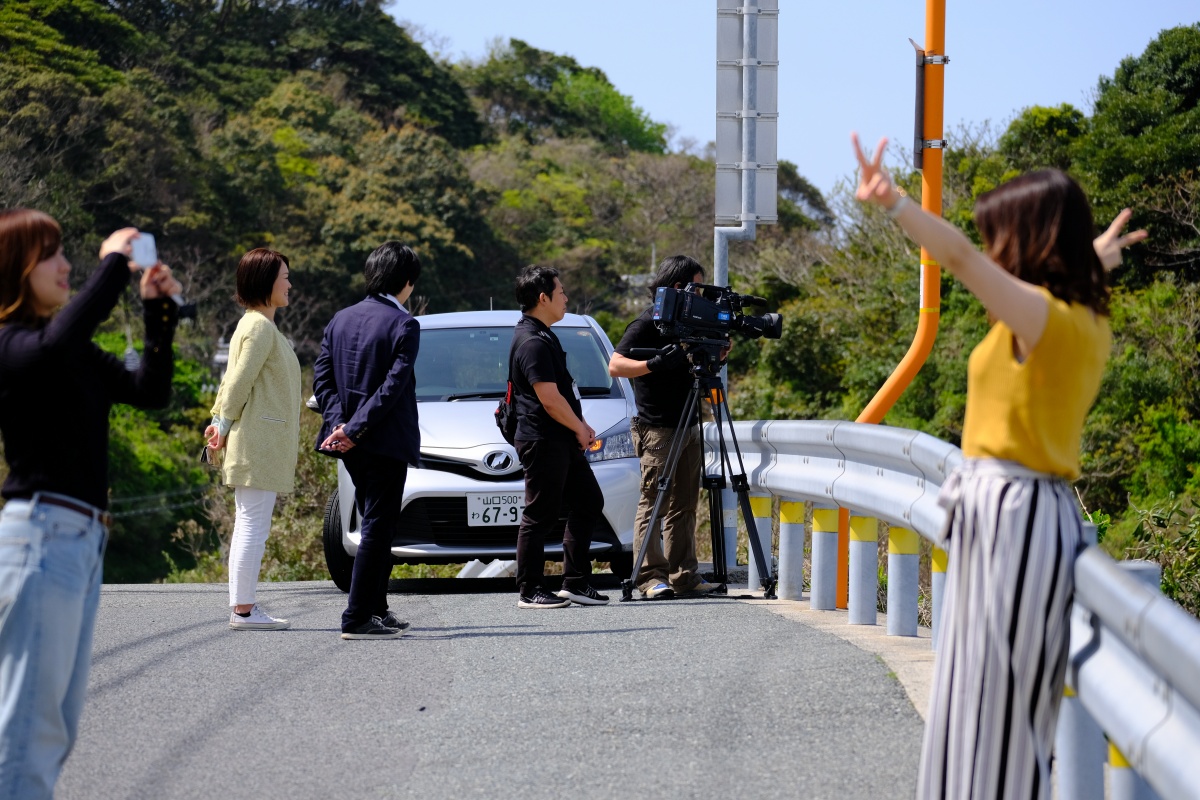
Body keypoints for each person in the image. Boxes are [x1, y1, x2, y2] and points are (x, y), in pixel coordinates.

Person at [850, 134, 1146, 800]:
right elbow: (1073, 271)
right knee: (979, 707)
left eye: (1001, 238)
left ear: (1032, 242)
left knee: (993, 714)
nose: (993, 254)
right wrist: (1099, 256)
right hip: (1010, 515)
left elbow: (953, 255)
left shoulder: (1045, 319)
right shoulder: (1071, 317)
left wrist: (895, 201)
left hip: (1016, 515)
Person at [0, 210, 180, 797]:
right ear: (16, 267)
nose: (65, 264)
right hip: (40, 537)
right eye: (51, 253)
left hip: (78, 545)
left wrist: (157, 312)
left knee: (52, 731)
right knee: (26, 734)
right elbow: (50, 350)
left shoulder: (65, 348)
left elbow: (147, 391)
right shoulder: (13, 345)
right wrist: (112, 266)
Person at [312, 241, 420, 640]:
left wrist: (341, 426)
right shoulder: (404, 324)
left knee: (378, 521)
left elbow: (322, 380)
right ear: (407, 282)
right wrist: (354, 429)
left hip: (349, 444)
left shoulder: (340, 318)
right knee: (378, 525)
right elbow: (393, 388)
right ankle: (357, 617)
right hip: (383, 440)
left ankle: (377, 608)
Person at [608, 255, 719, 600]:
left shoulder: (691, 325)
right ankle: (649, 577)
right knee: (654, 502)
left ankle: (684, 574)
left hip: (688, 424)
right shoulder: (645, 324)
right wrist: (652, 364)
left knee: (685, 503)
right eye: (696, 287)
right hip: (658, 428)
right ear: (677, 287)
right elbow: (615, 365)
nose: (700, 295)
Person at [204, 248, 301, 631]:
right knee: (252, 526)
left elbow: (231, 381)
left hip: (256, 441)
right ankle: (243, 610)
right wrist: (222, 425)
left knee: (250, 524)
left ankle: (243, 608)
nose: (290, 284)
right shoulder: (260, 327)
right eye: (285, 277)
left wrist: (217, 421)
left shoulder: (253, 324)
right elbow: (239, 383)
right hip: (257, 442)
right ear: (266, 283)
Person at [509, 265, 608, 608]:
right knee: (539, 515)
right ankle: (529, 589)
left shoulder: (544, 333)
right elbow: (549, 399)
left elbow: (563, 394)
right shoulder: (531, 341)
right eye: (561, 292)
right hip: (543, 438)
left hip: (561, 437)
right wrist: (579, 427)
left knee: (588, 501)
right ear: (543, 298)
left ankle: (576, 582)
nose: (566, 298)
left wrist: (580, 425)